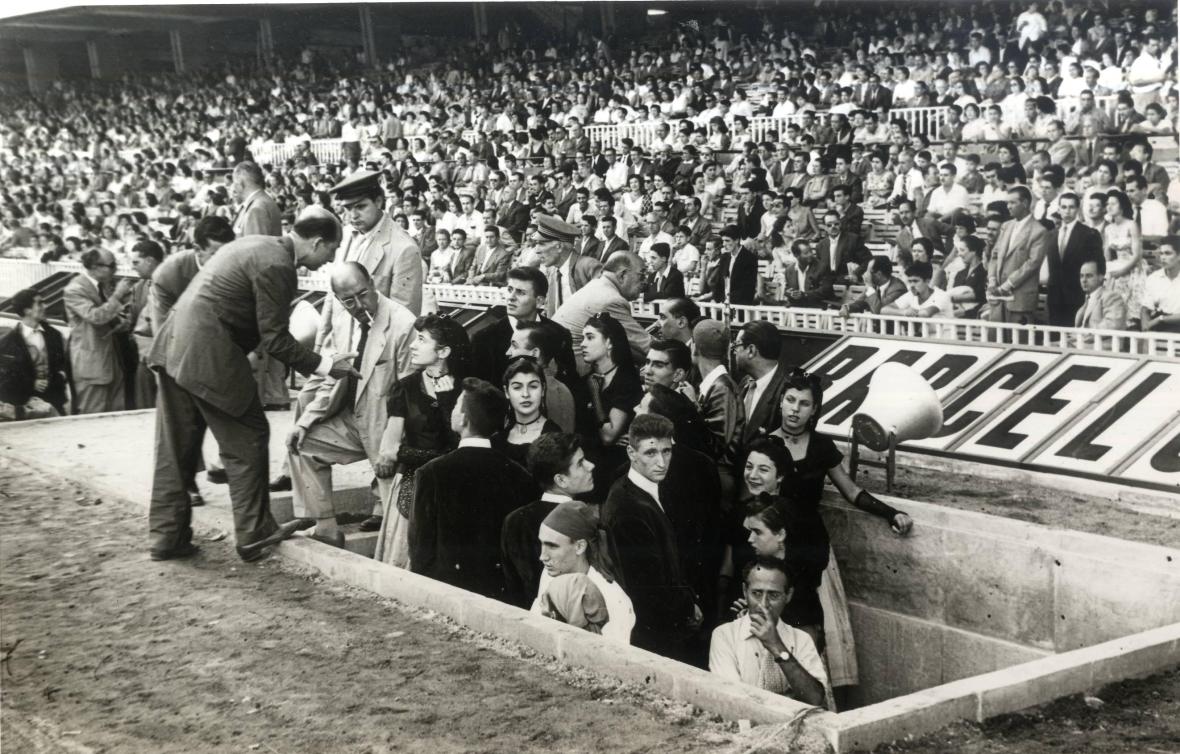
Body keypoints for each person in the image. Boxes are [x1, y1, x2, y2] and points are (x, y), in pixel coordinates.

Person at [147, 207, 355, 562]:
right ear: (317, 242)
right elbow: (276, 340)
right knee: (248, 436)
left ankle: (166, 537)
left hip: (173, 346)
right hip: (207, 354)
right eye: (331, 251)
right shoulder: (278, 264)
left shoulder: (255, 244)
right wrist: (326, 365)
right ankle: (254, 532)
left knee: (175, 448)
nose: (329, 261)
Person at [287, 263, 416, 547]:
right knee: (301, 443)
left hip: (389, 427)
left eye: (363, 294)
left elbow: (412, 394)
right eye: (349, 300)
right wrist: (305, 421)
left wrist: (392, 445)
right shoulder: (343, 320)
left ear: (373, 283)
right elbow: (332, 378)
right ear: (337, 298)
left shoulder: (403, 323)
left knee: (399, 531)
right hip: (353, 420)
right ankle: (326, 528)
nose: (359, 305)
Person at [409, 377, 538, 601]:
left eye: (456, 406)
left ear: (464, 419)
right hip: (505, 593)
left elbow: (420, 546)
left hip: (449, 592)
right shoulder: (519, 474)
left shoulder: (431, 473)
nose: (452, 411)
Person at [601, 413, 702, 661]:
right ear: (631, 453)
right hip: (653, 635)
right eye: (650, 453)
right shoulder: (628, 509)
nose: (661, 462)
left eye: (667, 451)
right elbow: (648, 588)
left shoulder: (647, 489)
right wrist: (688, 607)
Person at [373, 314, 469, 567]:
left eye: (422, 340)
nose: (413, 346)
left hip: (453, 484)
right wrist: (435, 458)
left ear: (443, 351)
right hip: (413, 482)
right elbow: (389, 449)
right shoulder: (405, 388)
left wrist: (447, 403)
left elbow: (463, 444)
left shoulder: (466, 389)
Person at [709, 556, 829, 707]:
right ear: (745, 591)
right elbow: (734, 700)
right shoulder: (725, 636)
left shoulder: (801, 639)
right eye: (756, 593)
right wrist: (789, 700)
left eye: (774, 595)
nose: (763, 604)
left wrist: (776, 645)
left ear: (788, 595)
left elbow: (815, 699)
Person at [501, 433, 596, 608]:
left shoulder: (513, 521)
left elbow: (513, 585)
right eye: (580, 463)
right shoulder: (585, 520)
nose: (591, 466)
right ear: (561, 480)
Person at [533, 501, 636, 644]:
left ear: (580, 547)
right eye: (542, 543)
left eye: (552, 546)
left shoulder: (614, 600)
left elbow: (612, 654)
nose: (542, 556)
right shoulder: (550, 572)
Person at [328, 169, 424, 317]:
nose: (353, 215)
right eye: (348, 208)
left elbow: (403, 318)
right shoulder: (346, 234)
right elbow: (333, 296)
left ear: (378, 201)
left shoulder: (404, 248)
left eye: (360, 207)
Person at [574, 313, 644, 502]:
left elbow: (608, 436)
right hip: (586, 466)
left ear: (609, 342)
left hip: (614, 469)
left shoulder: (626, 381)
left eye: (590, 337)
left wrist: (595, 394)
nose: (583, 344)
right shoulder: (583, 382)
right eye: (582, 338)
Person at [469, 265, 575, 389]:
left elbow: (570, 383)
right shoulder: (484, 338)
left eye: (520, 292)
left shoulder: (559, 334)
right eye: (510, 290)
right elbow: (479, 393)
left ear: (539, 301)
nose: (511, 297)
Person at [554, 251, 651, 373]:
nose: (645, 282)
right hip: (575, 372)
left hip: (561, 366)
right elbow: (645, 345)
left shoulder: (597, 285)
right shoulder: (612, 300)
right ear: (623, 275)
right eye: (642, 275)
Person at [63, 248, 133, 414]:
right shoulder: (74, 289)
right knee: (93, 415)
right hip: (92, 366)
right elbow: (95, 317)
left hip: (112, 362)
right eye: (112, 265)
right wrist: (117, 295)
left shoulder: (103, 286)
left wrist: (121, 322)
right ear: (95, 267)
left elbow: (108, 317)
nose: (115, 270)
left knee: (117, 414)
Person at [692, 319, 744, 500]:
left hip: (717, 480)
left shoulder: (721, 388)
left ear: (695, 347)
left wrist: (692, 408)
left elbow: (715, 445)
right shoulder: (718, 385)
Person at [0, 288, 68, 420]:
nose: (45, 306)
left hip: (54, 402)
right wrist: (32, 383)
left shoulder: (54, 335)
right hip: (25, 407)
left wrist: (60, 376)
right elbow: (5, 379)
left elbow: (64, 364)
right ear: (27, 310)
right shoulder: (7, 343)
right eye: (40, 303)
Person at [987, 187, 1050, 324]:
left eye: (1012, 203)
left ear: (1025, 203)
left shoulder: (1039, 231)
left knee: (1017, 337)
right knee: (995, 336)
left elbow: (1032, 263)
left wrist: (1007, 285)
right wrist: (992, 279)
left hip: (1020, 299)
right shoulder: (1006, 226)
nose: (1008, 207)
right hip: (998, 298)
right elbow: (995, 255)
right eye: (1007, 203)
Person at [491, 357, 563, 467]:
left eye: (533, 386)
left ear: (543, 390)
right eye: (517, 387)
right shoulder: (498, 440)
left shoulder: (553, 434)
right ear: (506, 392)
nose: (525, 394)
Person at [1046, 193, 1104, 327]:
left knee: (1075, 334)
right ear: (1059, 209)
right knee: (1055, 334)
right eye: (1064, 207)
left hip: (1077, 294)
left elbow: (1098, 265)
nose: (1067, 211)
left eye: (1071, 207)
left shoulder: (1089, 234)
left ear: (1078, 209)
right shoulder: (1051, 235)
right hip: (1055, 296)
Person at [734, 321, 790, 446]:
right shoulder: (745, 382)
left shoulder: (786, 391)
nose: (734, 351)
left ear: (751, 350)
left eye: (736, 345)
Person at [127, 239, 164, 410]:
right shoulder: (139, 287)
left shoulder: (174, 283)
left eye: (136, 262)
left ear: (149, 260)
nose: (132, 267)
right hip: (143, 359)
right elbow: (133, 320)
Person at [1102, 190, 1148, 316]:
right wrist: (1107, 268)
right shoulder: (1108, 228)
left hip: (1133, 266)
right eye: (1107, 204)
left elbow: (1137, 254)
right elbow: (1106, 252)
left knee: (1123, 283)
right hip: (1117, 264)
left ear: (1122, 205)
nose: (1109, 207)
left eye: (1113, 204)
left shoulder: (1131, 225)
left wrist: (1122, 271)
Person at [882, 261, 955, 321]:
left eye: (915, 281)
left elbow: (925, 314)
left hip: (943, 334)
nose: (911, 285)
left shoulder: (941, 295)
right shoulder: (911, 294)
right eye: (910, 281)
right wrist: (904, 312)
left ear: (927, 281)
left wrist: (910, 312)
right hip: (922, 334)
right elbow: (884, 310)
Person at [707, 225, 758, 305]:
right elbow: (719, 284)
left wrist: (729, 301)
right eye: (723, 241)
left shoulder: (749, 258)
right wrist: (716, 300)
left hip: (740, 304)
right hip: (723, 303)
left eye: (727, 241)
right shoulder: (724, 257)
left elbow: (747, 288)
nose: (724, 244)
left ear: (737, 240)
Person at [840, 256, 907, 316]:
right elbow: (860, 303)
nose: (865, 274)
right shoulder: (874, 285)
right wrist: (848, 307)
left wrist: (869, 287)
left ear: (879, 274)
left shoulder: (898, 288)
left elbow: (879, 311)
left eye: (869, 271)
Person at [1075, 259, 1127, 331]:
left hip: (1098, 338)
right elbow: (1077, 326)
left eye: (1089, 276)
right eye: (1081, 276)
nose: (1084, 280)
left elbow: (1112, 325)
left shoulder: (1112, 297)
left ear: (1101, 277)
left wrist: (1084, 334)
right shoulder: (1087, 299)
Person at [1141, 240, 1180, 334]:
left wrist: (1161, 319)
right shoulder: (1153, 278)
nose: (1163, 257)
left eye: (1168, 253)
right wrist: (1145, 328)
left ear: (1179, 256)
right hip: (1158, 328)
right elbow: (1146, 308)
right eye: (1161, 253)